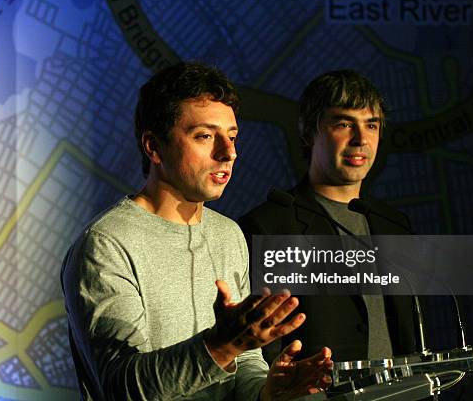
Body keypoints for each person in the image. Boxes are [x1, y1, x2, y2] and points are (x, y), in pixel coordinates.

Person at [61, 62, 333, 400]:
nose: (228, 152)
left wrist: (267, 392)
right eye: (204, 136)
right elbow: (121, 386)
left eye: (232, 137)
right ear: (154, 147)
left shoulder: (228, 234)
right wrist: (222, 346)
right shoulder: (106, 244)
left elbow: (244, 361)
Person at [239, 70, 417, 362]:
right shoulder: (270, 226)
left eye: (371, 125)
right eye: (344, 123)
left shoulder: (394, 224)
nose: (361, 139)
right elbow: (260, 355)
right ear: (310, 132)